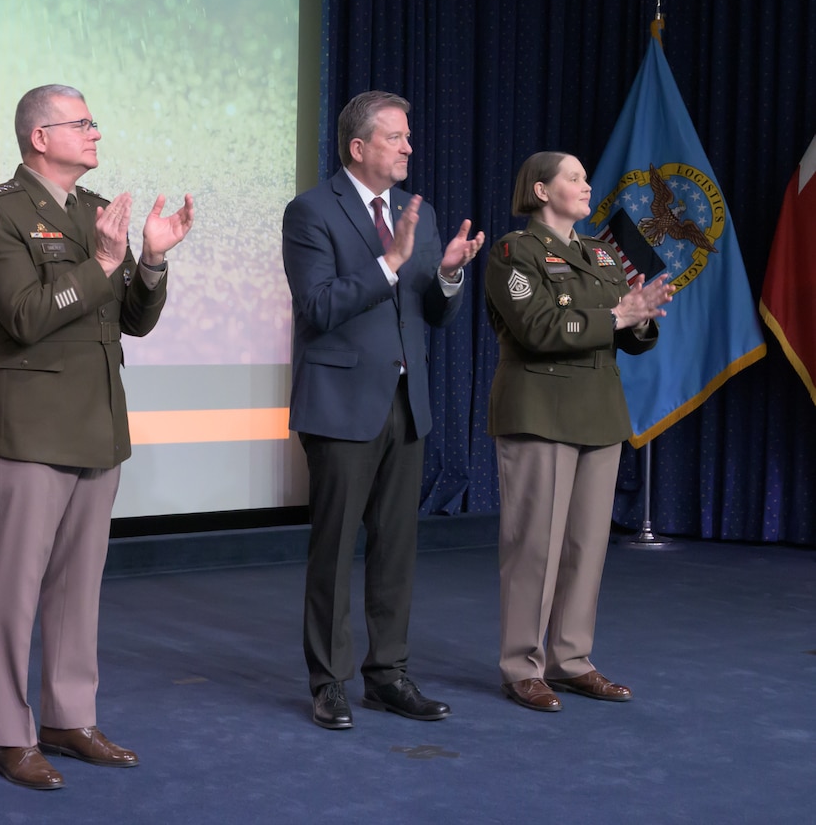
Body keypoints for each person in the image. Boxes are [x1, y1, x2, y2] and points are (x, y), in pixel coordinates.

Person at [0, 84, 194, 790]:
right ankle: (8, 732)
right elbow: (26, 315)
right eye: (81, 123)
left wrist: (149, 260)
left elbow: (134, 320)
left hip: (97, 421)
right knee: (15, 588)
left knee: (78, 586)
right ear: (39, 137)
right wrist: (102, 266)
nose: (95, 132)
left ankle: (68, 716)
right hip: (32, 427)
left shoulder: (96, 214)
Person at [281, 90, 484, 731]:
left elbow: (431, 313)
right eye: (396, 137)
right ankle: (329, 681)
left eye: (408, 136)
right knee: (335, 548)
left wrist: (447, 275)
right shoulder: (310, 211)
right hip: (340, 404)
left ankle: (388, 674)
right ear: (359, 147)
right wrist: (391, 262)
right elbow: (318, 306)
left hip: (406, 402)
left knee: (397, 547)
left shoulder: (414, 213)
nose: (408, 147)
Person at [485, 152, 673, 712]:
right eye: (574, 177)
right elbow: (540, 327)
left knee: (586, 547)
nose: (586, 186)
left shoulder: (600, 254)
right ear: (541, 190)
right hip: (541, 410)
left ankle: (571, 660)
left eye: (586, 178)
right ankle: (523, 665)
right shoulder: (512, 252)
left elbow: (631, 337)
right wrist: (617, 315)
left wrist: (640, 316)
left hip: (599, 412)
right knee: (534, 546)